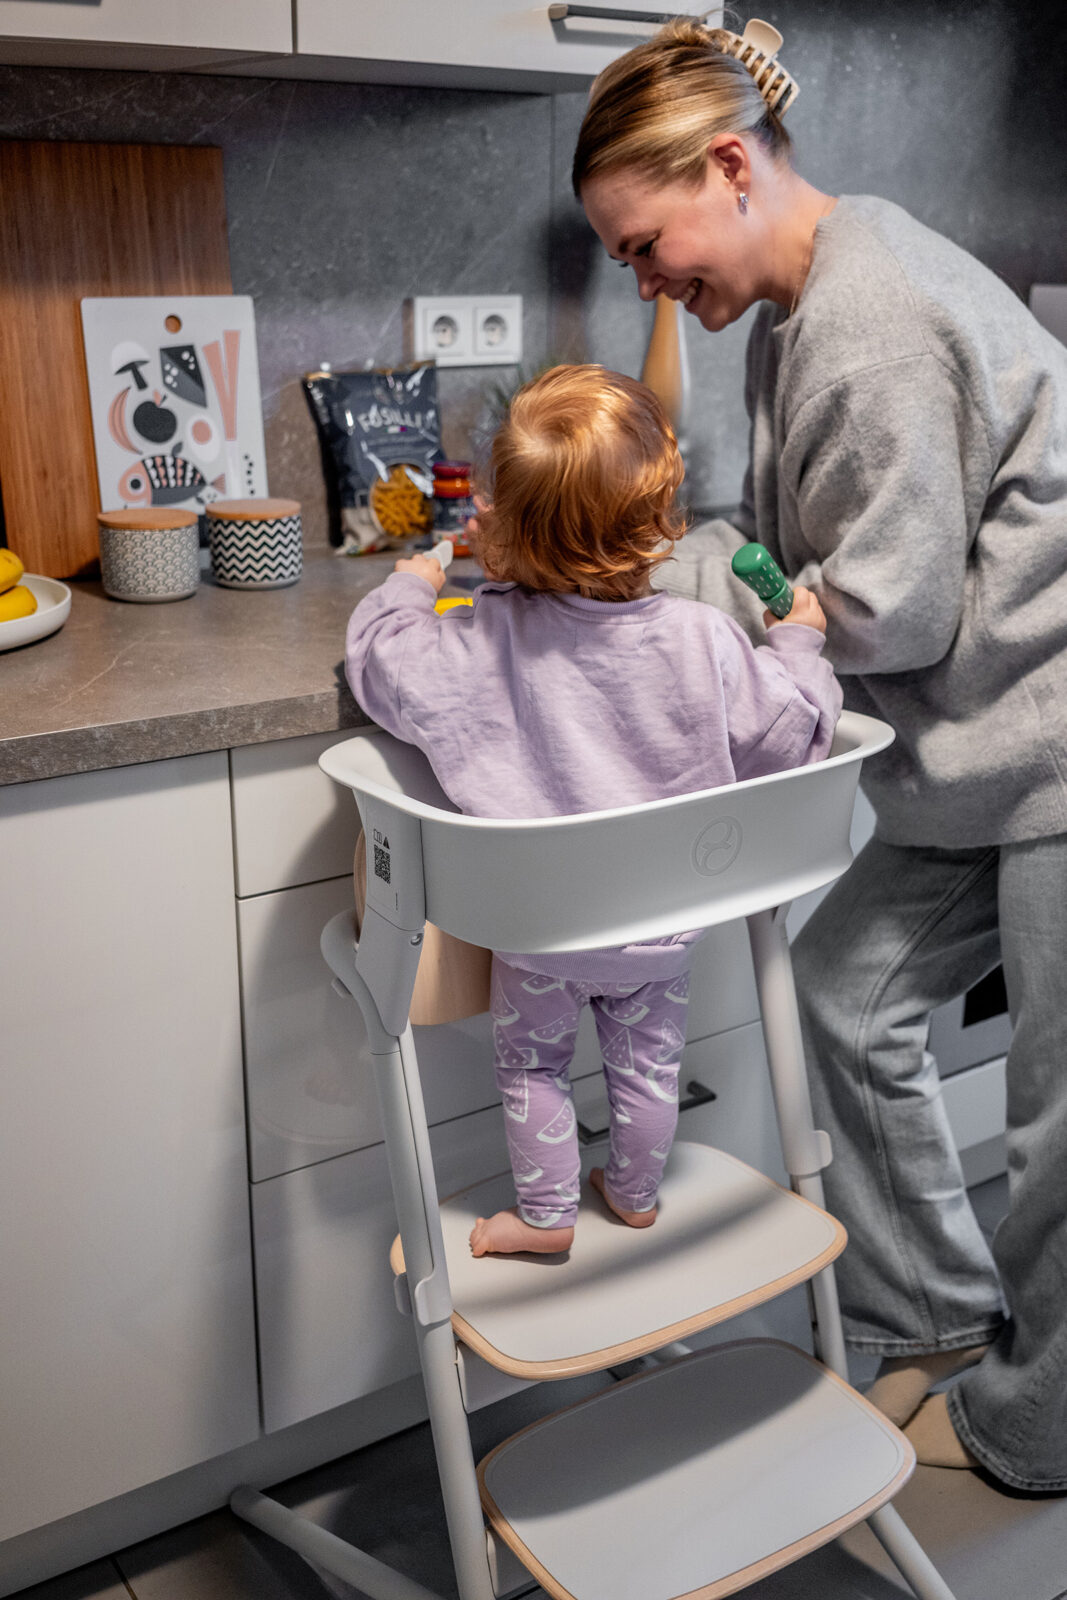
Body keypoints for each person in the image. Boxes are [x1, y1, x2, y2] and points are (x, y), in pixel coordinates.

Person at [572, 18, 1067, 1492]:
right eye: (620, 261)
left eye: (645, 242)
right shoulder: (807, 303)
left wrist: (666, 588)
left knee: (1054, 1130)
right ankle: (932, 1319)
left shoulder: (862, 316)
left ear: (727, 167)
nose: (646, 280)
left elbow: (879, 613)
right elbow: (798, 552)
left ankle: (1038, 1429)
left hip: (1048, 749)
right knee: (840, 1003)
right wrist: (697, 566)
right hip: (982, 752)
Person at [345, 363, 841, 1258]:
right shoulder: (704, 641)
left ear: (501, 526)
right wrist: (798, 641)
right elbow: (792, 739)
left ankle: (546, 1218)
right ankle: (637, 1195)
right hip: (660, 931)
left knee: (531, 1066)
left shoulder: (474, 641)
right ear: (657, 526)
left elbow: (377, 664)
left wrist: (415, 578)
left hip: (535, 937)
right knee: (646, 1064)